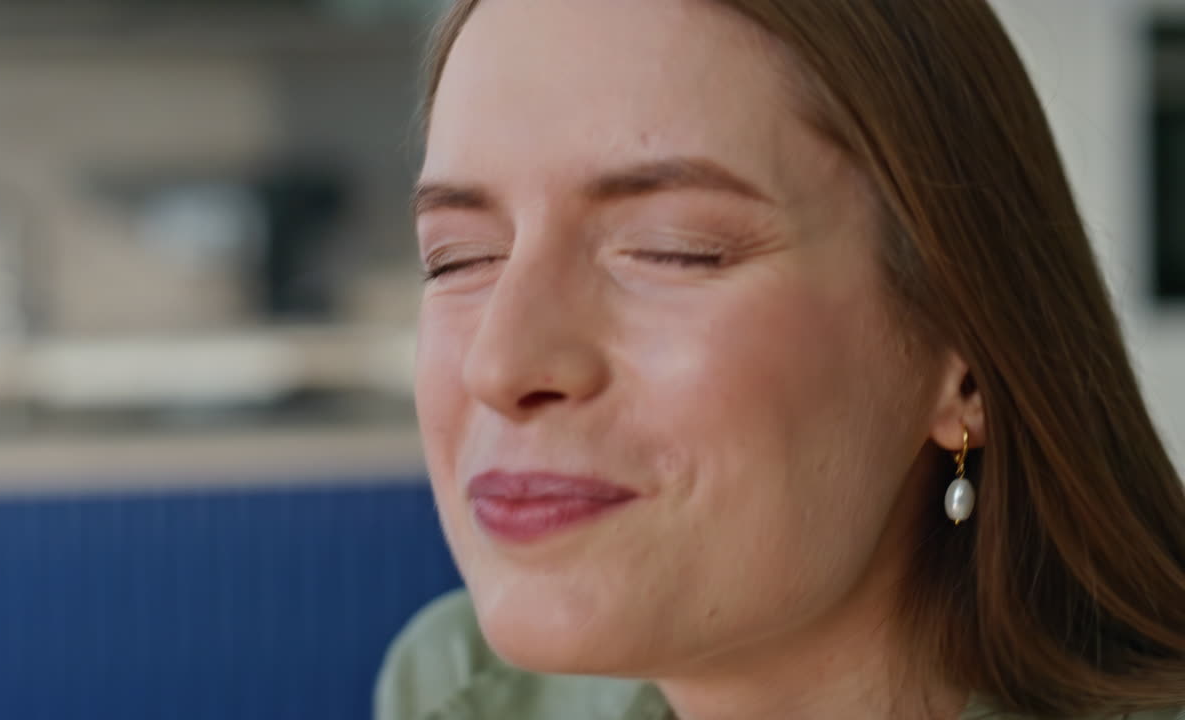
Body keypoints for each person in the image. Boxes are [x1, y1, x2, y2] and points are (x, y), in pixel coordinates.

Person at [377, 1, 1185, 718]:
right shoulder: (465, 692)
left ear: (964, 361)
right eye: (457, 258)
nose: (499, 364)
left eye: (673, 250)